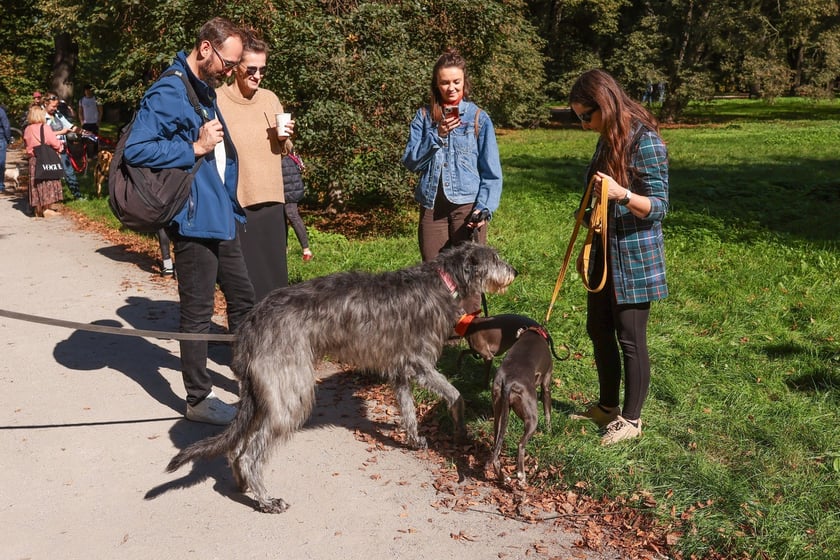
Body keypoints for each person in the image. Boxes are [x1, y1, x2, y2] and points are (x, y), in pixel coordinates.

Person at [123, 17, 254, 425]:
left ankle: (253, 383)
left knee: (244, 302)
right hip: (194, 221)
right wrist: (193, 146)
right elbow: (137, 149)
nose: (231, 72)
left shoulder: (201, 90)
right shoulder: (168, 89)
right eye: (229, 63)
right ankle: (198, 399)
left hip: (220, 216)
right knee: (197, 314)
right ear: (204, 49)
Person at [567, 69, 669, 445]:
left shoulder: (646, 142)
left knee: (630, 337)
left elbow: (659, 206)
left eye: (585, 116)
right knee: (598, 329)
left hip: (635, 256)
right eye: (578, 117)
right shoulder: (607, 139)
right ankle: (608, 406)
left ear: (605, 105)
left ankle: (632, 419)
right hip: (604, 251)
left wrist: (622, 195)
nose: (582, 125)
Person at [401, 49, 502, 262]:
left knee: (470, 276)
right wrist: (437, 136)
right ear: (436, 85)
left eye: (456, 81)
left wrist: (483, 209)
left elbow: (491, 173)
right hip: (431, 206)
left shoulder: (479, 119)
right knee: (433, 278)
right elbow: (411, 162)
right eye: (445, 82)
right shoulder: (424, 117)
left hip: (467, 207)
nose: (451, 88)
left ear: (465, 82)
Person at [216, 29, 294, 301]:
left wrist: (284, 139)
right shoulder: (218, 101)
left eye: (262, 69)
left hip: (272, 202)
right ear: (236, 66)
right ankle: (243, 342)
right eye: (251, 69)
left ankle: (274, 343)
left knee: (275, 285)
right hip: (239, 206)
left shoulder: (270, 98)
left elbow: (285, 150)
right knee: (243, 286)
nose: (257, 76)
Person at [22, 104, 64, 217]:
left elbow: (26, 144)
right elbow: (53, 142)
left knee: (36, 183)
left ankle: (38, 208)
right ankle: (47, 209)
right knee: (48, 181)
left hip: (33, 159)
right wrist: (60, 146)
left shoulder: (27, 129)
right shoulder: (44, 127)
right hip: (45, 158)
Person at [43, 91, 83, 199]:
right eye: (53, 106)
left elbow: (70, 126)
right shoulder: (41, 116)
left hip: (62, 148)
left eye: (56, 106)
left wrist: (83, 132)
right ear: (46, 103)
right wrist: (61, 132)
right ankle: (51, 198)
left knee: (69, 172)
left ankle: (78, 196)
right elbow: (43, 135)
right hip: (49, 150)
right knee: (51, 174)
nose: (55, 109)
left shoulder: (58, 114)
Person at [281, 150, 313, 261]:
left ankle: (306, 249)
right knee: (281, 218)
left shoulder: (283, 147)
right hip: (285, 186)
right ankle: (283, 248)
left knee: (292, 215)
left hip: (289, 187)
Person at [78, 84, 103, 159]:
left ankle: (95, 155)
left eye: (89, 90)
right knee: (85, 139)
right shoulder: (82, 100)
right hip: (86, 123)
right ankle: (86, 155)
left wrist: (98, 121)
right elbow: (80, 112)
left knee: (94, 139)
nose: (88, 92)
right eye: (86, 91)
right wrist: (81, 121)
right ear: (84, 91)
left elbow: (100, 111)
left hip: (94, 123)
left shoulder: (96, 99)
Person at [0, 103, 10, 194]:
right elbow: (6, 126)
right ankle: (0, 186)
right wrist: (8, 138)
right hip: (1, 139)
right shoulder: (1, 111)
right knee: (1, 163)